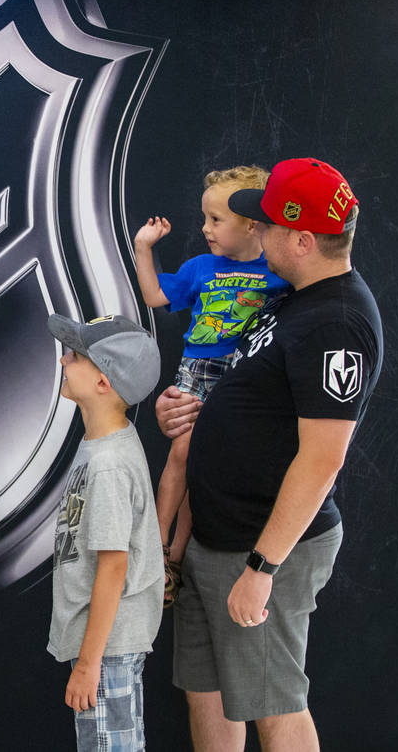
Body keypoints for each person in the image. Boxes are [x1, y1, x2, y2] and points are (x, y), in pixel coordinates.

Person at [159, 158, 382, 752]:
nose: (257, 232)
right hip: (215, 535)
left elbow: (323, 459)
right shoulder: (290, 298)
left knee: (272, 703)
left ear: (303, 239)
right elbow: (247, 397)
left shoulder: (337, 322)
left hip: (259, 548)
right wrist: (183, 414)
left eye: (269, 225)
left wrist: (262, 568)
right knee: (207, 693)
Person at [131, 166, 290, 606]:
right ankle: (156, 550)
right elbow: (156, 297)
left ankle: (177, 555)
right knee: (182, 451)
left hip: (242, 378)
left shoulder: (277, 274)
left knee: (204, 465)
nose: (205, 229)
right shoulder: (201, 267)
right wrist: (144, 249)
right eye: (205, 218)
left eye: (216, 220)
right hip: (197, 371)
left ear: (252, 223)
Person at [45, 313, 165, 751]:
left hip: (107, 649)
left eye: (75, 356)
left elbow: (115, 566)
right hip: (107, 644)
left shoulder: (108, 465)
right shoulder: (104, 444)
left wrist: (88, 664)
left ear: (103, 384)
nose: (63, 361)